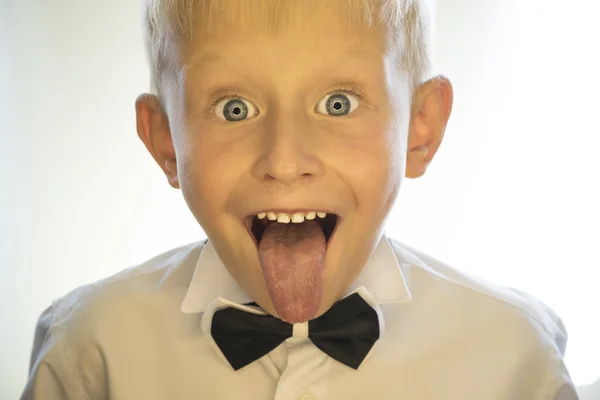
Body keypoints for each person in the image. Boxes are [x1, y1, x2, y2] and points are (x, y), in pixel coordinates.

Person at [21, 0, 579, 399]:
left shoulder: (514, 357)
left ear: (420, 127)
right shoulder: (89, 350)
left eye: (338, 103)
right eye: (233, 109)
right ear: (166, 140)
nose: (285, 162)